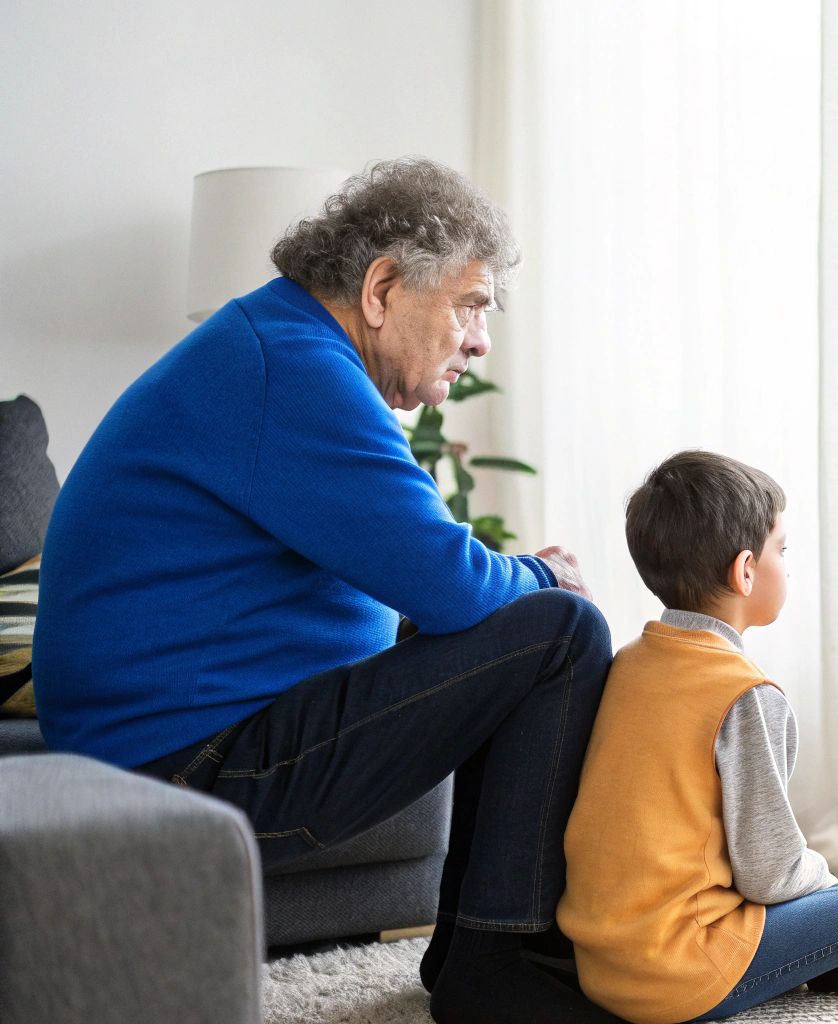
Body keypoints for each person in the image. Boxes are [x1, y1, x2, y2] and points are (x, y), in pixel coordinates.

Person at [33, 157, 618, 1024]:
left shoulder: (276, 348)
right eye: (468, 304)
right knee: (560, 630)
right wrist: (544, 572)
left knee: (507, 627)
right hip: (178, 774)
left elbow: (421, 576)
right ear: (381, 288)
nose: (481, 339)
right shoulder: (294, 372)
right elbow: (460, 586)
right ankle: (496, 964)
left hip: (164, 750)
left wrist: (499, 587)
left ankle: (475, 951)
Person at [558, 450, 838, 1024]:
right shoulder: (745, 693)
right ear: (745, 570)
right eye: (782, 549)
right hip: (677, 975)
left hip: (599, 962)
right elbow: (769, 871)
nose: (787, 565)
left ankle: (819, 960)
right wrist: (825, 888)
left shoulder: (626, 662)